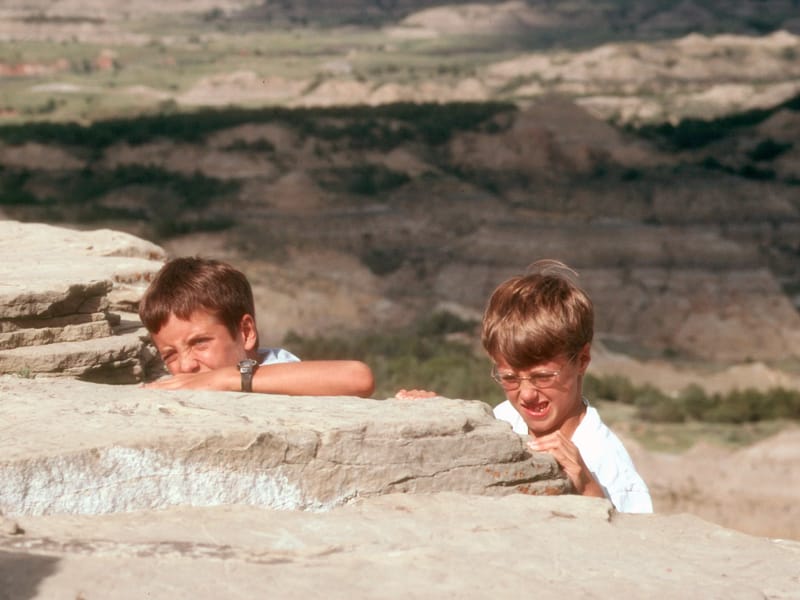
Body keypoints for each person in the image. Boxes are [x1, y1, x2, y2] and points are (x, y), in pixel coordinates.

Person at [483, 259, 652, 513]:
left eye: (543, 377)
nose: (526, 394)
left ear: (582, 360)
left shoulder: (607, 464)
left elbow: (638, 547)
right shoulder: (503, 418)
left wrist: (587, 489)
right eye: (510, 378)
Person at [138, 256, 375, 397]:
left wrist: (228, 379)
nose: (186, 365)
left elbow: (358, 377)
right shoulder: (184, 384)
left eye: (199, 343)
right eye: (169, 354)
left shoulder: (278, 369)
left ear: (246, 332)